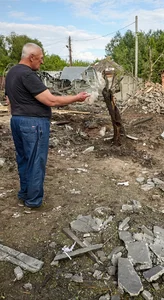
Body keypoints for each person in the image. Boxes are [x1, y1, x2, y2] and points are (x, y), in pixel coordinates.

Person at [5, 43, 90, 208]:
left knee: (23, 160)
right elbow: (51, 100)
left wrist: (17, 114)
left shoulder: (11, 73)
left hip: (17, 121)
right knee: (36, 162)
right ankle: (33, 201)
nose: (42, 62)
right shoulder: (28, 75)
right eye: (40, 58)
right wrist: (76, 97)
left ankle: (24, 193)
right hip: (33, 124)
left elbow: (8, 100)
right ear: (31, 57)